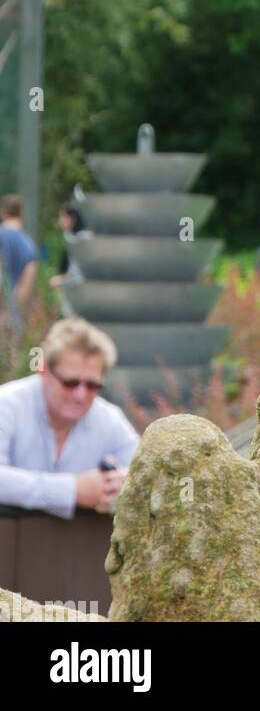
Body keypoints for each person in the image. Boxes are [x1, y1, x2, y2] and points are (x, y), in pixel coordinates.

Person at [0, 317, 137, 519]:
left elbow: (146, 475)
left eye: (92, 386)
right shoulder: (6, 404)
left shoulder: (109, 418)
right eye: (70, 383)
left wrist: (123, 484)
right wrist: (73, 490)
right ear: (44, 370)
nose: (80, 395)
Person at [0, 193, 39, 330]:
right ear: (22, 214)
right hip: (13, 321)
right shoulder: (29, 245)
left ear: (3, 212)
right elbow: (26, 286)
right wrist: (10, 311)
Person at [49, 204, 90, 287]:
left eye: (63, 217)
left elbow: (79, 274)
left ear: (72, 218)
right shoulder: (68, 236)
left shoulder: (83, 238)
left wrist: (63, 280)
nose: (60, 221)